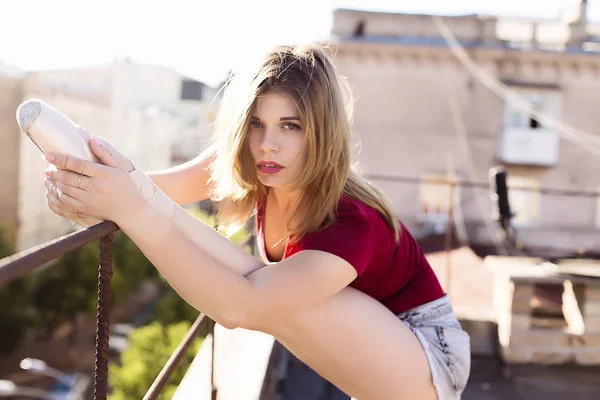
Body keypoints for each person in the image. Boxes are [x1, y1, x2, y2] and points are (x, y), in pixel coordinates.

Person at [41, 44, 471, 399]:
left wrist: (131, 212)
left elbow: (238, 307)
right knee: (267, 287)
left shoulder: (351, 222)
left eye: (291, 126)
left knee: (269, 296)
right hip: (363, 345)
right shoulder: (256, 161)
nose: (268, 145)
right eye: (256, 124)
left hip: (425, 358)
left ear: (322, 131)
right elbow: (153, 191)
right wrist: (88, 188)